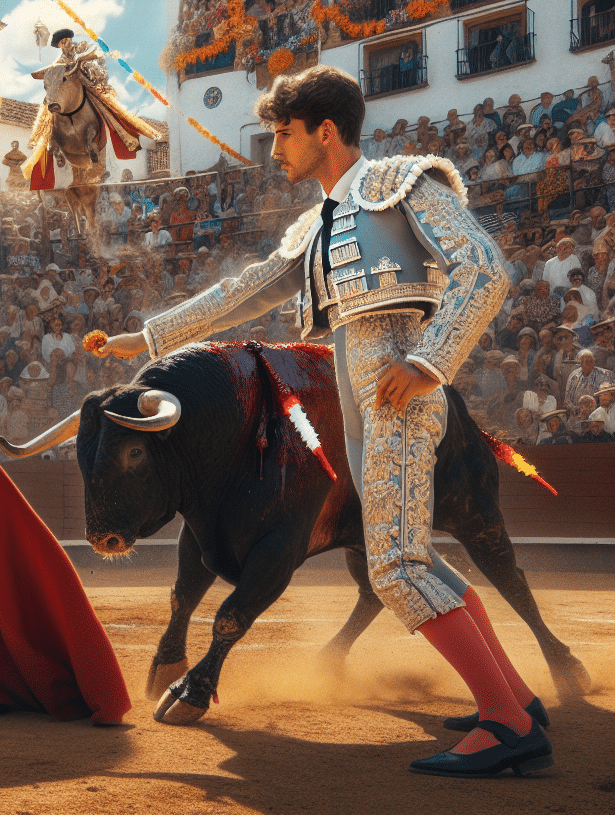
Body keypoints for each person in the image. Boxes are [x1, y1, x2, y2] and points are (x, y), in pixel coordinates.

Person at [94, 65, 551, 777]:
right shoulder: (319, 221)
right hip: (359, 383)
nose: (274, 146)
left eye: (283, 132)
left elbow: (484, 267)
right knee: (411, 558)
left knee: (394, 567)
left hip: (400, 381)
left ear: (325, 130)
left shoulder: (404, 183)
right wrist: (147, 338)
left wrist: (431, 361)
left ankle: (505, 725)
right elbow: (247, 289)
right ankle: (517, 701)